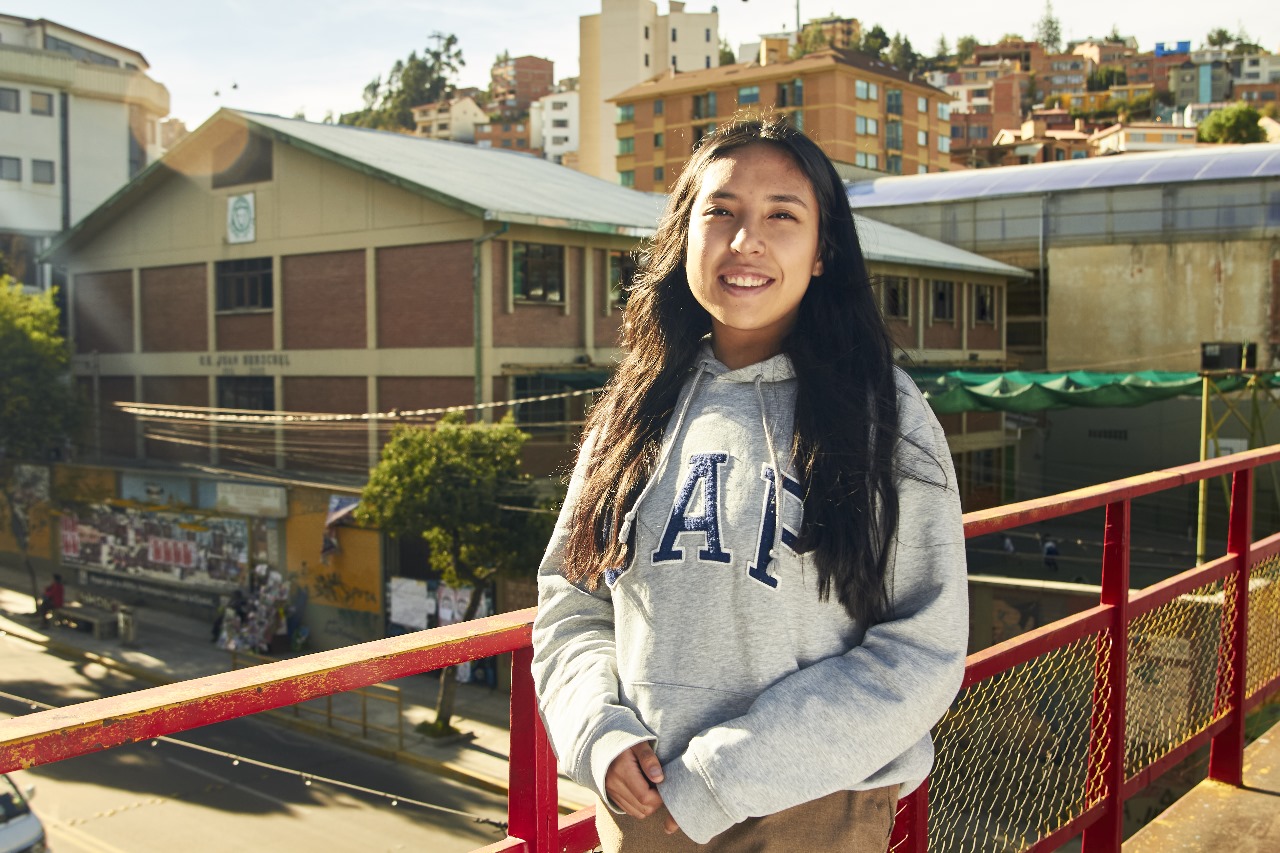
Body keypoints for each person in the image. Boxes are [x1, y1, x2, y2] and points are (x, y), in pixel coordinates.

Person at [531, 115, 969, 852]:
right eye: (722, 212)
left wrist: (730, 771)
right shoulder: (631, 411)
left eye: (782, 216)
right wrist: (598, 734)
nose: (747, 242)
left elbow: (924, 648)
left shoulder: (883, 415)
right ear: (685, 234)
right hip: (647, 810)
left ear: (824, 250)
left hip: (814, 806)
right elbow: (572, 604)